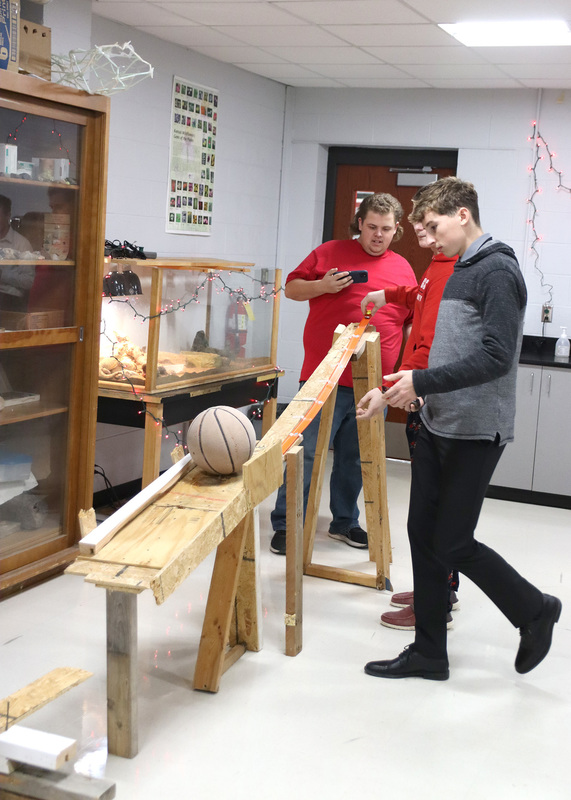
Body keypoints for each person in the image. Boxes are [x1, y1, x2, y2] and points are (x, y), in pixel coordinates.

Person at [357, 177, 561, 680]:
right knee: (423, 537)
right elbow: (441, 347)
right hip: (437, 421)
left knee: (451, 541)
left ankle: (535, 610)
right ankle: (430, 652)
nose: (427, 237)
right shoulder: (458, 267)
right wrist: (396, 391)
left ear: (462, 215)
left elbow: (496, 356)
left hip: (476, 429)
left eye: (432, 226)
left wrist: (421, 380)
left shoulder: (496, 271)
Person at [270, 193, 416, 555]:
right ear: (359, 224)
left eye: (386, 229)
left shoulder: (404, 267)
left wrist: (405, 372)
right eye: (371, 227)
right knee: (304, 453)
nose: (378, 235)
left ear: (396, 229)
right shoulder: (329, 252)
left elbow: (411, 323)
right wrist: (323, 286)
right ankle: (287, 523)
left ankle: (344, 522)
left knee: (356, 456)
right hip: (324, 376)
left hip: (374, 384)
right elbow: (290, 289)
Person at [360, 207, 458, 632]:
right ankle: (436, 590)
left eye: (429, 230)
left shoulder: (455, 266)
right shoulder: (438, 262)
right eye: (420, 232)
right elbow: (420, 296)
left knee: (431, 514)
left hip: (431, 399)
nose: (425, 239)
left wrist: (388, 391)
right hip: (425, 394)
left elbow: (430, 341)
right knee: (430, 511)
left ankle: (435, 601)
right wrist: (389, 296)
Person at [0, 194, 34, 311]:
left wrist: (2, 275)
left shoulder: (22, 244)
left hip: (9, 300)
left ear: (7, 215)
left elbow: (29, 281)